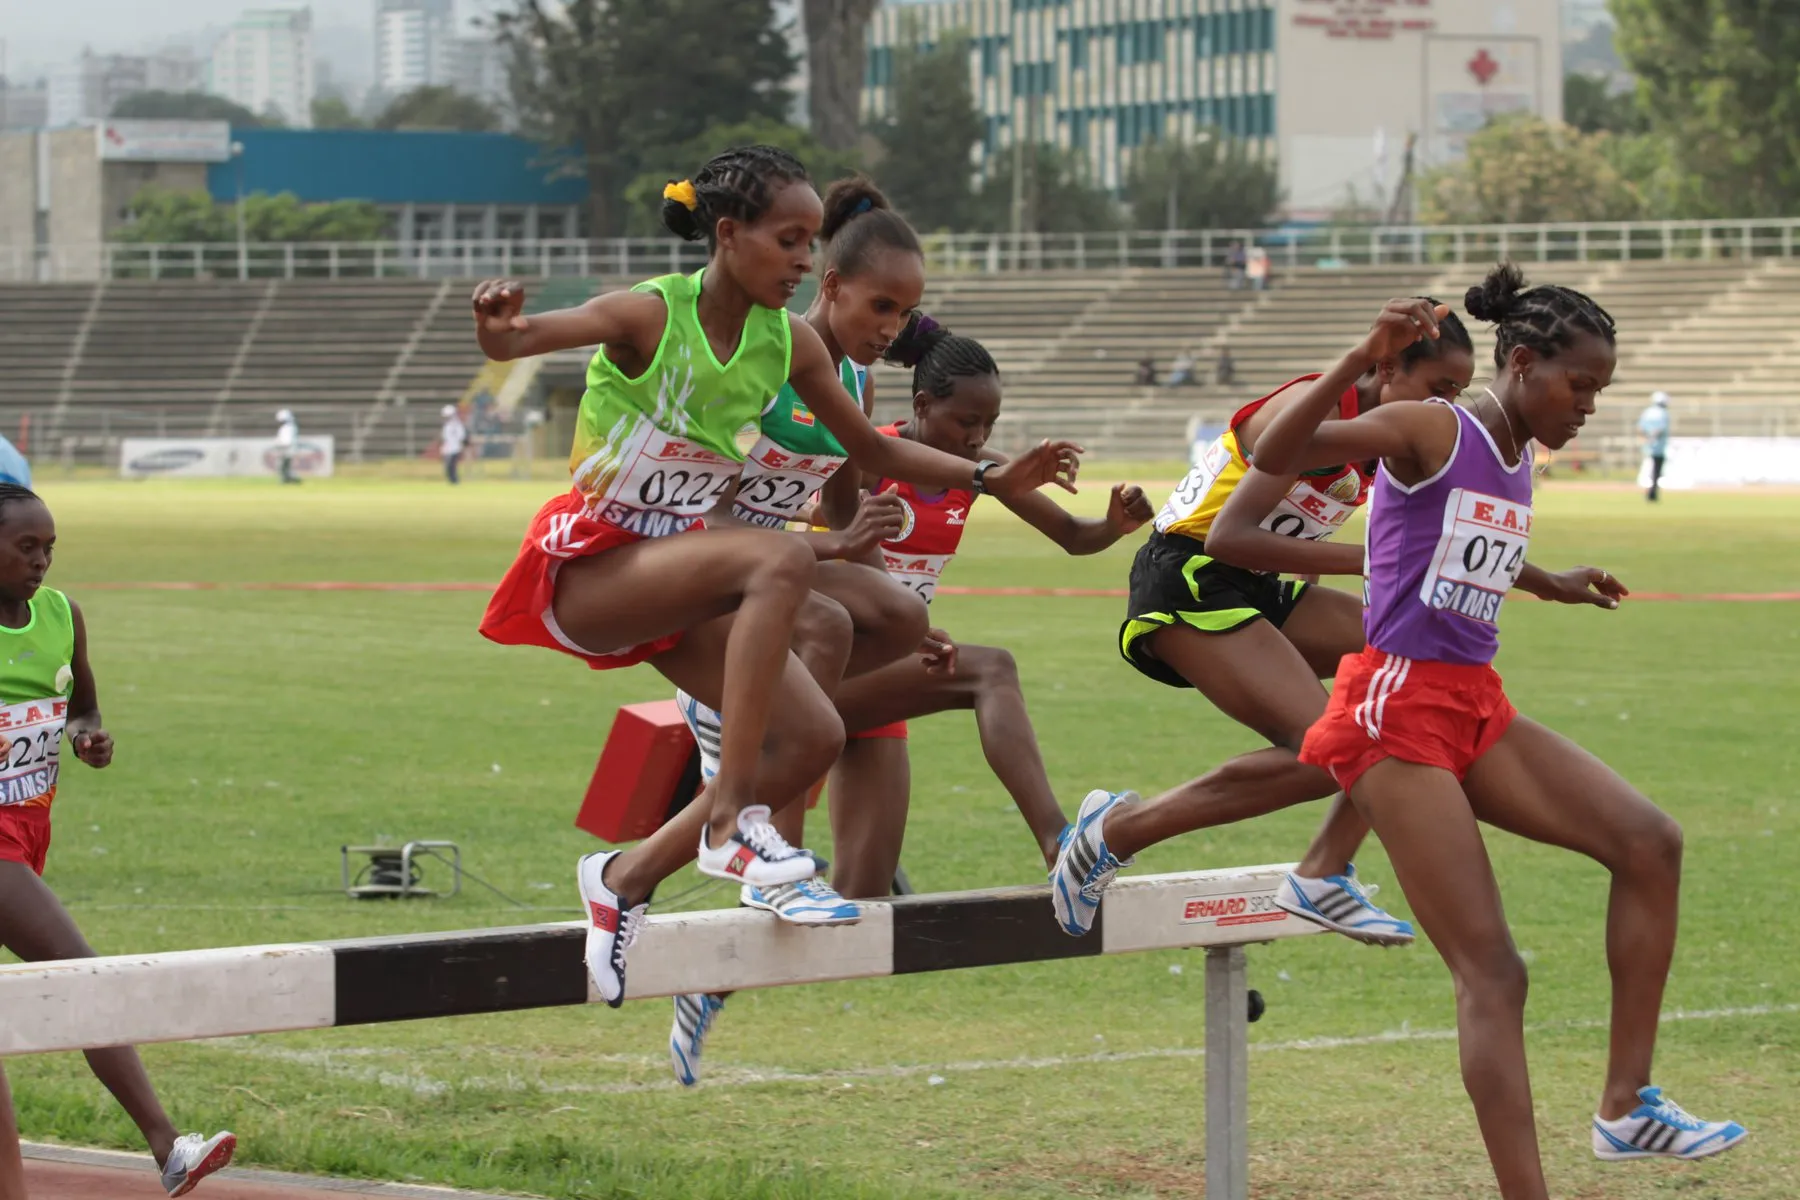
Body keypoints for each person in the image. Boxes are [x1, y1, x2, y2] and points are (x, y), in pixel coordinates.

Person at [470, 145, 1081, 1007]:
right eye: (790, 242)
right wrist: (498, 328)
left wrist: (988, 476)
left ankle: (625, 878)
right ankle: (733, 823)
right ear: (728, 235)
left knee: (818, 737)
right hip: (594, 570)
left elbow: (868, 451)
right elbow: (527, 336)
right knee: (786, 554)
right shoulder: (654, 313)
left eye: (811, 245)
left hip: (685, 580)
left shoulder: (788, 341)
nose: (803, 261)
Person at [1197, 273, 1743, 1195]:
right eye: (1581, 385)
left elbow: (1459, 542)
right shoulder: (1433, 426)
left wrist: (1547, 581)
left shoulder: (1515, 445)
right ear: (1523, 362)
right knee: (1494, 972)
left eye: (1601, 391)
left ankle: (1626, 1104)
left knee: (1650, 842)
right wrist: (1362, 362)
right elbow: (1265, 442)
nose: (1589, 407)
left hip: (1472, 702)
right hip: (1396, 708)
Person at [670, 318, 1151, 1084]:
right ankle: (1063, 845)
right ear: (922, 406)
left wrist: (1116, 525)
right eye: (965, 422)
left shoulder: (982, 469)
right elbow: (820, 566)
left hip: (887, 674)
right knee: (992, 671)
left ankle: (706, 980)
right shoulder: (869, 456)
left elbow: (1074, 537)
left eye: (989, 425)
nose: (976, 439)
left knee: (856, 903)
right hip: (826, 668)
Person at [1054, 300, 1476, 944]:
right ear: (1387, 366)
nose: (1445, 408)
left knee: (1423, 666)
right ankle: (1110, 836)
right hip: (1190, 576)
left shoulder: (1385, 433)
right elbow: (1231, 539)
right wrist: (1370, 560)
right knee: (1319, 756)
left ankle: (1326, 871)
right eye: (1438, 390)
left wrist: (1543, 577)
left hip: (1256, 585)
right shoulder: (1314, 405)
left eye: (1457, 395)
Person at [0, 484, 237, 1197]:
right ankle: (167, 1143)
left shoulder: (61, 616)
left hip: (28, 831)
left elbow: (82, 704)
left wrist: (86, 738)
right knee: (84, 976)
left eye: (48, 548)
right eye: (24, 547)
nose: (40, 561)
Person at [1638, 390, 1671, 501]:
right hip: (1658, 447)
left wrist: (1646, 439)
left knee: (1648, 470)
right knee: (1656, 471)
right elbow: (1660, 429)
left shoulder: (1647, 412)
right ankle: (1652, 493)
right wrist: (1653, 437)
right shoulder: (1663, 413)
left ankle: (1648, 492)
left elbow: (1640, 428)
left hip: (1647, 447)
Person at [440, 404, 470, 485]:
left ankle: (454, 480)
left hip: (455, 447)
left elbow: (461, 435)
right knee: (448, 465)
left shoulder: (456, 424)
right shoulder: (449, 425)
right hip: (448, 447)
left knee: (452, 465)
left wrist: (463, 443)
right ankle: (451, 480)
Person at [273, 410, 299, 485]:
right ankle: (288, 479)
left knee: (284, 465)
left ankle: (287, 479)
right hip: (286, 449)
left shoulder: (288, 428)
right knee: (285, 465)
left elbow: (287, 441)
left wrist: (280, 445)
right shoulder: (288, 427)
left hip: (286, 449)